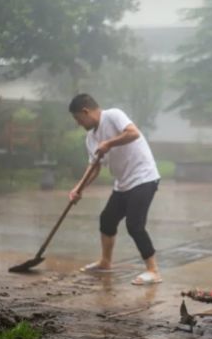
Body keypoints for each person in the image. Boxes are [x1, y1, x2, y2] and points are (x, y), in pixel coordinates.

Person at [68, 93, 162, 285]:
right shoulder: (90, 138)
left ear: (86, 111)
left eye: (78, 119)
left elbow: (133, 133)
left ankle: (153, 271)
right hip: (123, 183)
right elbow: (94, 168)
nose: (78, 123)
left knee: (134, 225)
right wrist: (78, 188)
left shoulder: (113, 115)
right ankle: (105, 262)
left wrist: (109, 143)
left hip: (144, 177)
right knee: (107, 219)